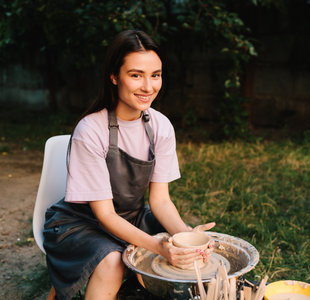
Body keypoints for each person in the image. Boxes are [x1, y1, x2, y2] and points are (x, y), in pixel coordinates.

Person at [43, 30, 215, 300]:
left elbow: (160, 202)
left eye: (155, 75)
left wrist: (187, 240)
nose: (148, 87)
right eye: (136, 75)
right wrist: (158, 246)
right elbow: (105, 216)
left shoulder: (160, 126)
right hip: (78, 224)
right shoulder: (91, 130)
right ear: (114, 76)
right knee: (113, 261)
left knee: (177, 244)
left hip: (130, 217)